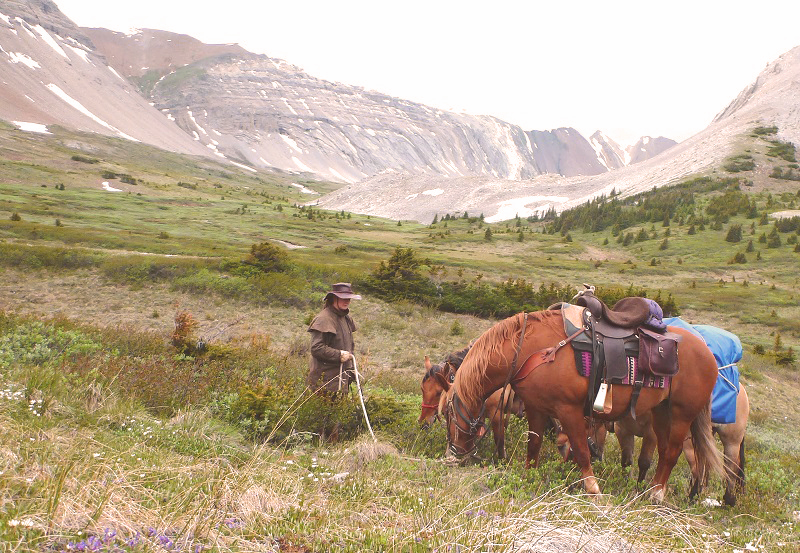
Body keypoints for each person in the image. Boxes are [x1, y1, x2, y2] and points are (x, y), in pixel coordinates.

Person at [307, 282, 361, 396]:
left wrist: (352, 371)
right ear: (333, 298)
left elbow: (349, 347)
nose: (347, 301)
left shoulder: (346, 318)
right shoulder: (324, 319)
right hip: (324, 383)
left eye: (348, 299)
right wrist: (339, 355)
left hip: (342, 381)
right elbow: (316, 348)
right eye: (343, 298)